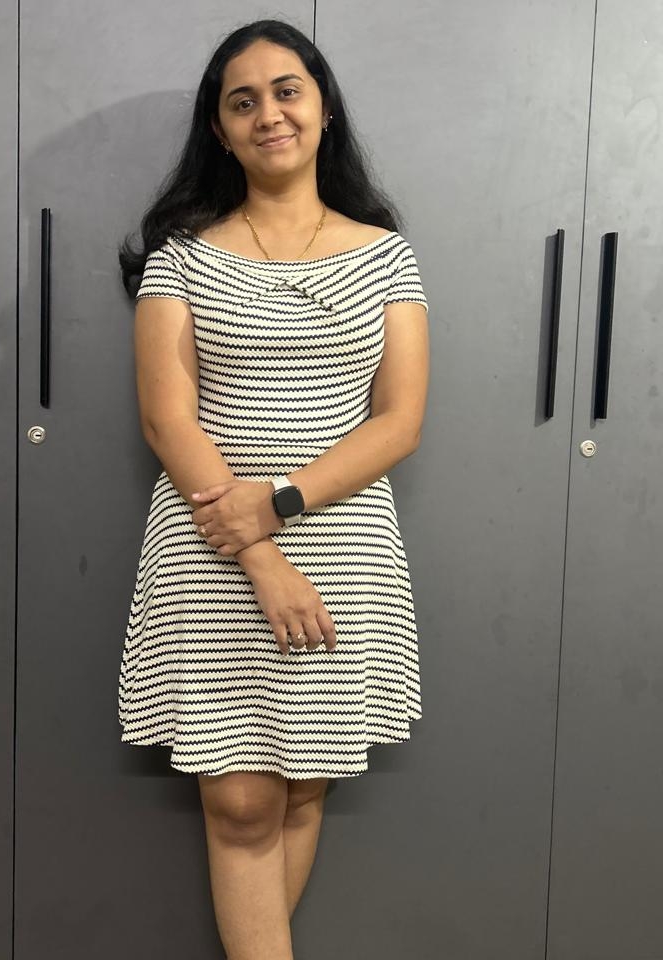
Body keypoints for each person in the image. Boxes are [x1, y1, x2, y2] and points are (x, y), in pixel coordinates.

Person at [117, 18, 429, 960]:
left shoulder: (386, 255)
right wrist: (259, 548)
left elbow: (398, 421)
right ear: (220, 130)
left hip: (342, 544)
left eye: (287, 91)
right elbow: (168, 421)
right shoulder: (180, 256)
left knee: (303, 782)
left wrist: (282, 500)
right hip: (213, 543)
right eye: (242, 101)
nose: (269, 114)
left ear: (324, 108)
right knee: (244, 798)